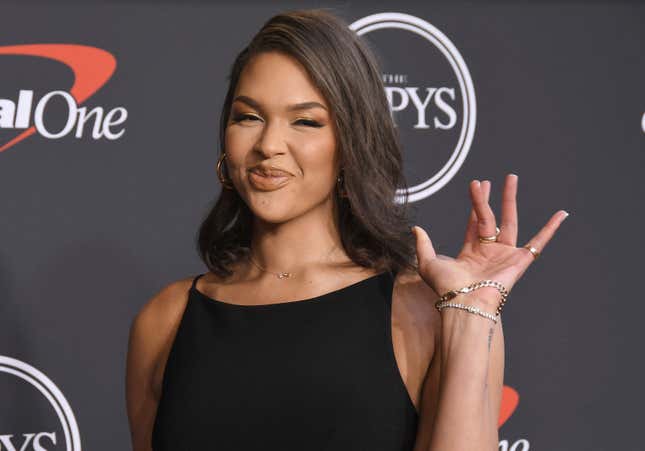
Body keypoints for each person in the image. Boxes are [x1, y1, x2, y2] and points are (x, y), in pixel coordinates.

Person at [125, 8, 568, 451]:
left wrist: (472, 318)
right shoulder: (166, 319)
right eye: (248, 117)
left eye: (305, 121)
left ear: (352, 142)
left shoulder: (427, 311)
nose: (268, 146)